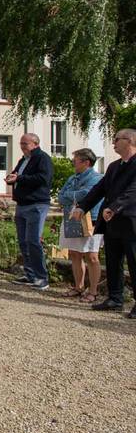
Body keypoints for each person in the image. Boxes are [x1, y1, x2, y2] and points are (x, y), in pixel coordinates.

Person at [72, 129, 136, 317]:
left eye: (117, 139)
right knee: (113, 261)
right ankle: (115, 298)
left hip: (131, 221)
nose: (113, 142)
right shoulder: (114, 166)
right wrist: (83, 207)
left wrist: (115, 207)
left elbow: (133, 191)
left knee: (134, 262)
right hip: (112, 222)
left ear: (130, 141)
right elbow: (100, 189)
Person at [6, 133, 54, 290]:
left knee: (33, 241)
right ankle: (30, 274)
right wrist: (11, 177)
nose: (22, 146)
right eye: (21, 143)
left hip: (36, 204)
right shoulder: (24, 160)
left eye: (25, 143)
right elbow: (17, 174)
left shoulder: (42, 158)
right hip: (22, 204)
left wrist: (19, 179)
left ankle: (42, 277)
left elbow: (43, 178)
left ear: (35, 144)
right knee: (23, 241)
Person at [58, 148, 103, 303]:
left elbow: (87, 194)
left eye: (75, 160)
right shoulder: (72, 178)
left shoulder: (96, 178)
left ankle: (93, 291)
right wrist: (71, 196)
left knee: (91, 255)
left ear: (86, 162)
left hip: (91, 219)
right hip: (72, 217)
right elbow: (60, 196)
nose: (72, 163)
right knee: (74, 253)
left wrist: (69, 196)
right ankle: (78, 287)